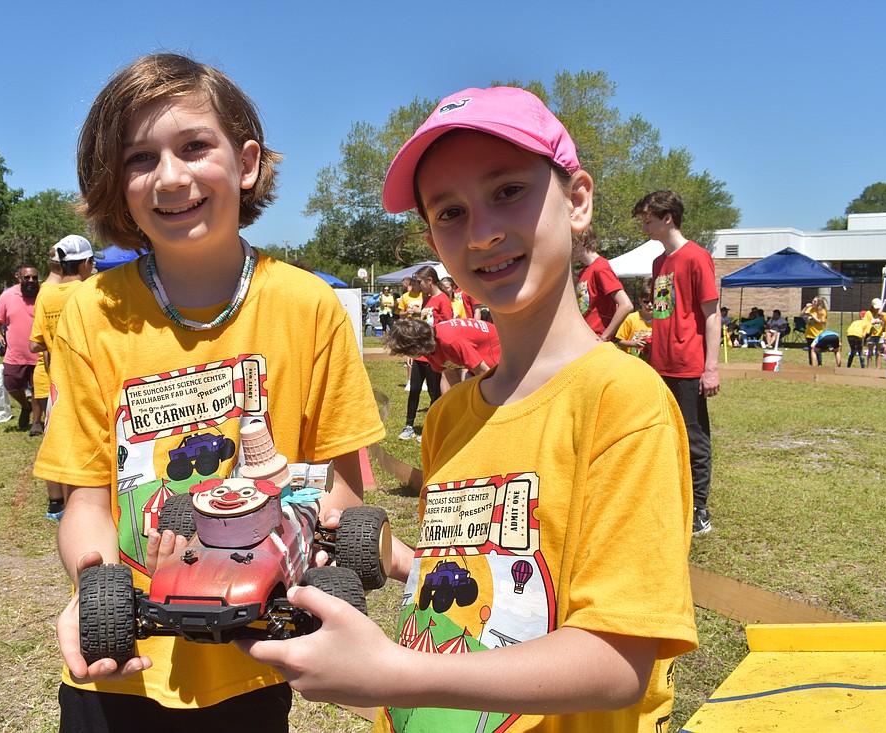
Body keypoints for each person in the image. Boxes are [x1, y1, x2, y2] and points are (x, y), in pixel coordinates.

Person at [241, 86, 697, 732]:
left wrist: (391, 672)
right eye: (450, 212)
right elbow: (472, 576)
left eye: (508, 190)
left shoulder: (624, 402)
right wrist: (393, 558)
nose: (481, 231)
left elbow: (617, 660)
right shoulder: (448, 417)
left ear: (577, 200)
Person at [31, 53, 385, 732]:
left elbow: (342, 493)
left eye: (194, 146)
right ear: (116, 180)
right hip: (124, 674)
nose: (170, 177)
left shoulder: (307, 306)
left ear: (246, 161)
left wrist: (293, 550)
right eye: (139, 158)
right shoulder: (92, 310)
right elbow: (85, 500)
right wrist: (93, 585)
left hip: (252, 662)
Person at [634, 189, 720, 537]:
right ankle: (675, 499)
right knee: (666, 436)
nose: (645, 226)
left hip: (688, 365)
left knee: (694, 438)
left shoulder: (697, 257)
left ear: (667, 217)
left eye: (648, 219)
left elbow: (711, 315)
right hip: (661, 364)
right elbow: (666, 311)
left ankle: (700, 510)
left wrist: (710, 367)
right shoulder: (658, 264)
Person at [28, 235, 101, 520]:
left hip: (55, 380)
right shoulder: (91, 291)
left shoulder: (45, 293)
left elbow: (35, 343)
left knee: (58, 444)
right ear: (85, 263)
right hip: (86, 380)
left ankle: (58, 506)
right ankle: (81, 511)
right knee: (84, 449)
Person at [0, 265, 42, 432]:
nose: (31, 281)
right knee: (11, 384)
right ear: (19, 277)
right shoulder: (7, 295)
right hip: (15, 354)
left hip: (39, 352)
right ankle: (26, 406)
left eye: (34, 277)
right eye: (27, 277)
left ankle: (37, 423)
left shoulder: (44, 294)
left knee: (37, 389)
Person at [398, 266, 450, 440]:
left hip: (435, 354)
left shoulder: (443, 300)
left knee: (435, 392)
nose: (417, 285)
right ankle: (409, 425)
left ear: (429, 281)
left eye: (420, 282)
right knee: (414, 389)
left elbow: (448, 328)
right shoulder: (426, 299)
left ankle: (432, 427)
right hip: (421, 353)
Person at [385, 317, 500, 392]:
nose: (406, 355)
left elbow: (484, 372)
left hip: (497, 353)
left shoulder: (450, 341)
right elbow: (449, 372)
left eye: (406, 351)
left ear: (415, 346)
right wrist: (451, 404)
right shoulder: (431, 345)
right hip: (482, 363)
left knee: (482, 391)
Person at [572, 227, 633, 342]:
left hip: (596, 340)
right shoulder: (584, 272)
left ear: (580, 240)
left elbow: (626, 305)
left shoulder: (600, 267)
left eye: (571, 242)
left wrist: (604, 336)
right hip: (584, 340)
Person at [802, 297, 828, 365]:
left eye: (815, 301)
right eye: (813, 301)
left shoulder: (822, 311)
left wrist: (814, 317)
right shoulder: (811, 309)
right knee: (810, 350)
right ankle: (811, 364)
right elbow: (801, 314)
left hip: (817, 334)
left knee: (817, 350)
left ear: (819, 303)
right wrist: (805, 307)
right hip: (809, 333)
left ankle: (819, 364)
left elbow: (821, 322)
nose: (813, 302)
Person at [863, 297, 886, 369]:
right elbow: (865, 323)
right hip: (871, 335)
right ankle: (869, 367)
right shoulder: (868, 313)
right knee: (870, 352)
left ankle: (878, 368)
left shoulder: (881, 314)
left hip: (879, 335)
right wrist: (874, 322)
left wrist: (882, 323)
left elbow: (885, 324)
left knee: (878, 352)